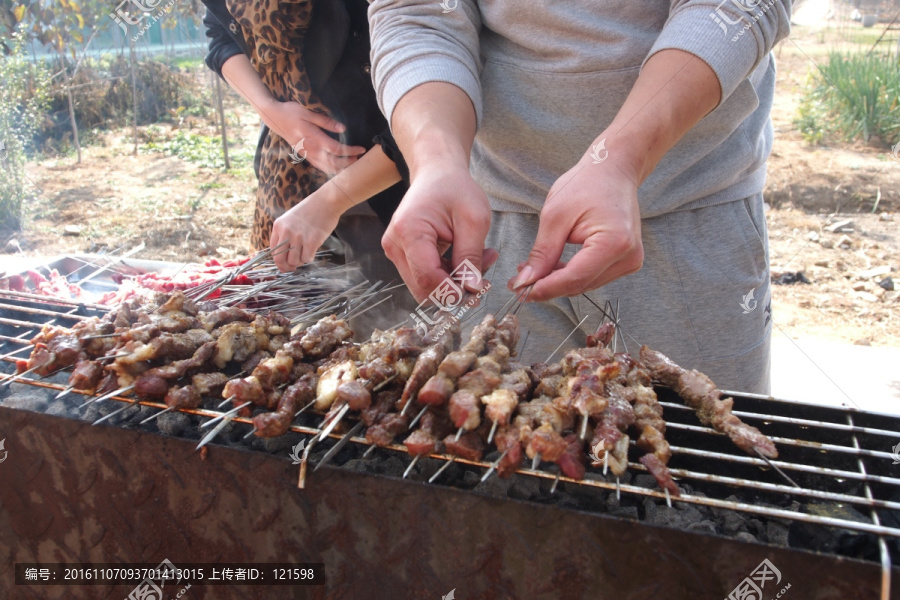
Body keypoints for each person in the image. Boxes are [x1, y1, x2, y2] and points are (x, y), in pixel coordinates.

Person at [369, 0, 792, 393]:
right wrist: (435, 160)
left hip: (686, 210)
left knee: (701, 458)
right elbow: (416, 12)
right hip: (486, 225)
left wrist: (623, 158)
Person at [201, 0, 412, 286]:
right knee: (303, 321)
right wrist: (272, 112)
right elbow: (221, 34)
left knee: (392, 322)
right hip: (291, 185)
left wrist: (329, 203)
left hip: (393, 192)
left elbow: (429, 115)